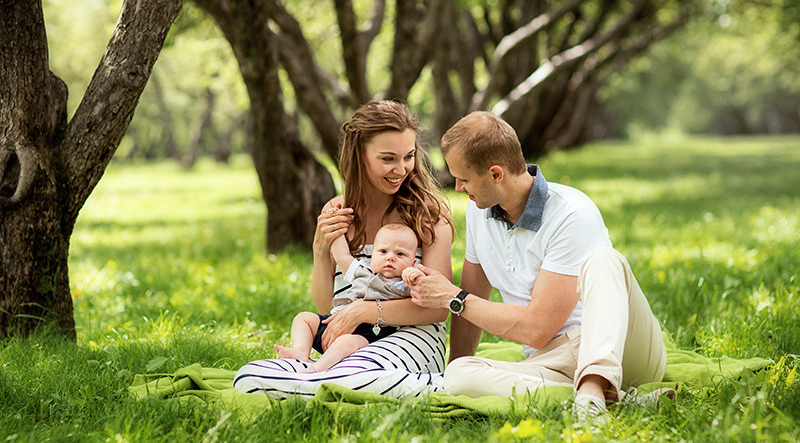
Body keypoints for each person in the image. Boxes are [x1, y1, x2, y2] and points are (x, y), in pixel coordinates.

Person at [404, 111, 670, 419]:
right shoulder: (480, 212)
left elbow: (538, 329)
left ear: (495, 174)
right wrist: (457, 374)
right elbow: (472, 292)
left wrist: (453, 298)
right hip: (550, 362)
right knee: (460, 375)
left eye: (464, 179)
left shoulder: (572, 213)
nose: (459, 187)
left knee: (604, 259)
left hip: (620, 349)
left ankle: (598, 384)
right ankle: (606, 399)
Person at [234, 100, 453, 398]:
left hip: (412, 335)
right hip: (347, 340)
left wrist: (367, 310)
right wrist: (319, 249)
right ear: (359, 156)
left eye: (409, 156)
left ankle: (332, 382)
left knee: (349, 376)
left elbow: (439, 309)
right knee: (247, 378)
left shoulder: (429, 214)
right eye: (388, 158)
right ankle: (321, 379)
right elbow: (327, 308)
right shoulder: (337, 211)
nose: (401, 169)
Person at [275, 222, 418, 373]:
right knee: (303, 318)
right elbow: (341, 255)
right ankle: (300, 351)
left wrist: (417, 276)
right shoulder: (362, 269)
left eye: (400, 254)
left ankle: (317, 369)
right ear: (373, 254)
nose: (390, 258)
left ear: (413, 262)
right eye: (383, 251)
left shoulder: (404, 284)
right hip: (335, 321)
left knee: (346, 342)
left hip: (369, 334)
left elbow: (422, 297)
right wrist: (336, 226)